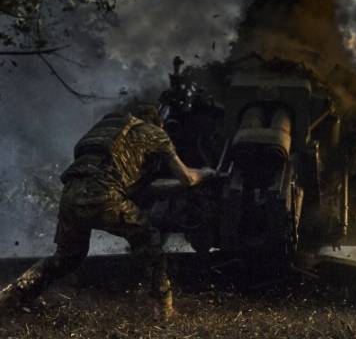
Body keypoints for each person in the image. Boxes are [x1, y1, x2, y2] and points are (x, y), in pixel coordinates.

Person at [0, 102, 213, 319]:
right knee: (148, 238)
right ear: (156, 121)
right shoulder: (155, 134)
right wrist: (205, 173)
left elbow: (109, 173)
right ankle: (164, 311)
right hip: (104, 195)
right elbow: (187, 178)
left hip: (71, 194)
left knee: (66, 258)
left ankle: (12, 297)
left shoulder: (102, 132)